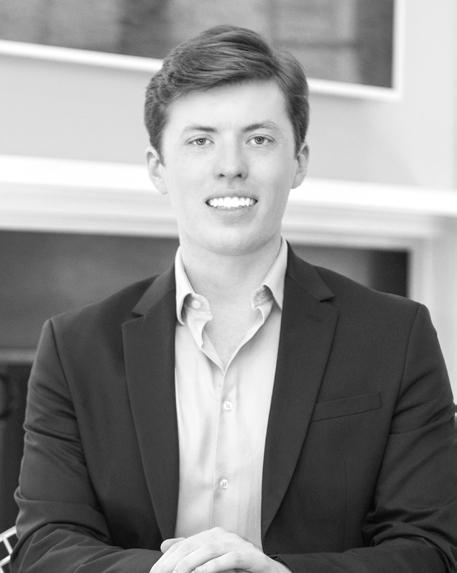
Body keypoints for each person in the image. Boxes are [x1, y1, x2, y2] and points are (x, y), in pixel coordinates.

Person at [11, 25, 457, 573]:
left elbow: (432, 549)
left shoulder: (396, 335)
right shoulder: (74, 347)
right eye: (200, 140)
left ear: (299, 161)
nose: (231, 166)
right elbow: (44, 544)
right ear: (158, 168)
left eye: (259, 139)